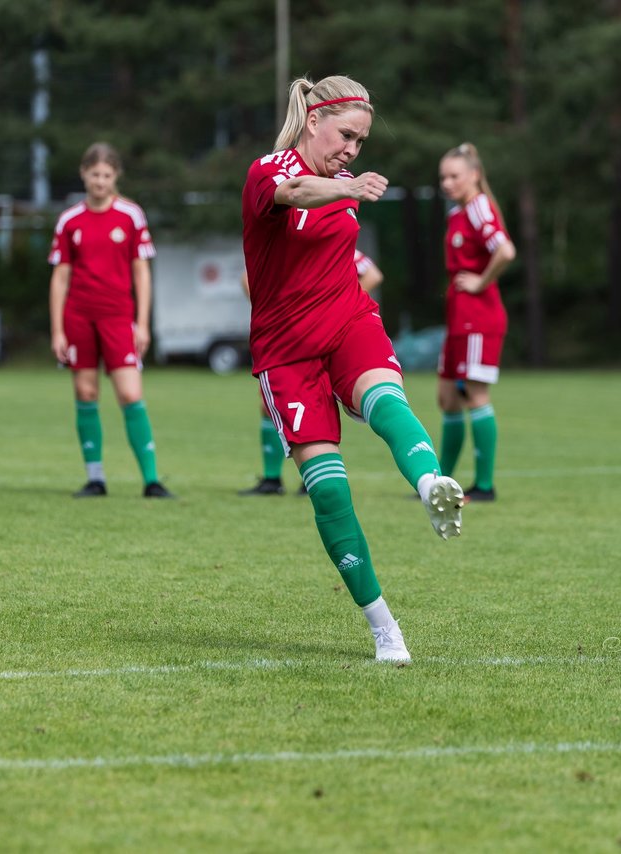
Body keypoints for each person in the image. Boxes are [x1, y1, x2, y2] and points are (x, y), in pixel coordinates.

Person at [242, 74, 464, 663]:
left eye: (361, 142)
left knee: (386, 398)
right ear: (314, 120)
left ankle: (430, 484)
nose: (351, 149)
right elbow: (292, 194)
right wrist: (347, 187)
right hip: (286, 351)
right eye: (346, 135)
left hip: (347, 321)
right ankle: (384, 628)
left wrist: (346, 186)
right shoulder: (268, 171)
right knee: (330, 494)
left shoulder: (343, 182)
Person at [48, 142, 171, 499]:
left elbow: (141, 272)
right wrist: (57, 329)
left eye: (106, 175)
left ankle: (151, 480)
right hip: (78, 317)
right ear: (84, 174)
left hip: (118, 317)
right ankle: (95, 478)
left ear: (115, 176)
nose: (100, 181)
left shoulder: (131, 215)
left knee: (130, 393)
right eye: (94, 174)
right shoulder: (70, 220)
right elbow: (60, 277)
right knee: (85, 392)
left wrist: (143, 322)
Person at [238, 247, 382, 496]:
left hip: (319, 335)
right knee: (268, 404)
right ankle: (274, 479)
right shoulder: (279, 241)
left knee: (320, 403)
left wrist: (341, 306)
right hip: (286, 333)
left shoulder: (325, 237)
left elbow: (373, 275)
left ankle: (315, 474)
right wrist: (270, 308)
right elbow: (246, 278)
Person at [436, 142, 516, 502]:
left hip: (478, 316)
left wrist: (481, 281)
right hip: (459, 316)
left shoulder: (479, 206)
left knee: (475, 394)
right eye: (443, 177)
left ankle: (485, 486)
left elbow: (505, 250)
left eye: (454, 175)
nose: (447, 182)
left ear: (474, 175)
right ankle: (441, 482)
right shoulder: (458, 213)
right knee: (448, 398)